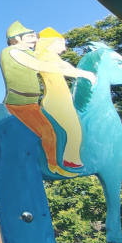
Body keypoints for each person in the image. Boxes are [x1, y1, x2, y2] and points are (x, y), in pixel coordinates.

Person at [0, 21, 96, 176]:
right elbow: (40, 65)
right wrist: (80, 73)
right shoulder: (12, 52)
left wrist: (64, 63)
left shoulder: (27, 53)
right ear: (17, 38)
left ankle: (55, 164)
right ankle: (53, 167)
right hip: (20, 103)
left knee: (55, 131)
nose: (35, 40)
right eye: (30, 37)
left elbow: (46, 60)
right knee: (48, 132)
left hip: (31, 103)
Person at [35, 27, 85, 169]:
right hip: (57, 99)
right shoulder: (47, 56)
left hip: (59, 98)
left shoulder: (49, 56)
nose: (64, 48)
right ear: (54, 42)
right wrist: (86, 74)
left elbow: (67, 67)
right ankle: (68, 160)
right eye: (62, 43)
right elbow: (66, 69)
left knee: (72, 129)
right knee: (73, 129)